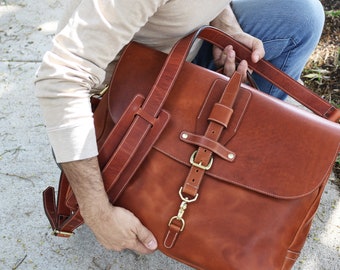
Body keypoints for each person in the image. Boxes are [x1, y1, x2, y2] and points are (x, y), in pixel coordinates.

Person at [35, 0, 325, 255]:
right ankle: (136, 178)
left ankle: (231, 178)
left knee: (300, 15)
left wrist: (227, 29)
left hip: (179, 51)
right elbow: (62, 78)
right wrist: (96, 209)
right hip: (120, 102)